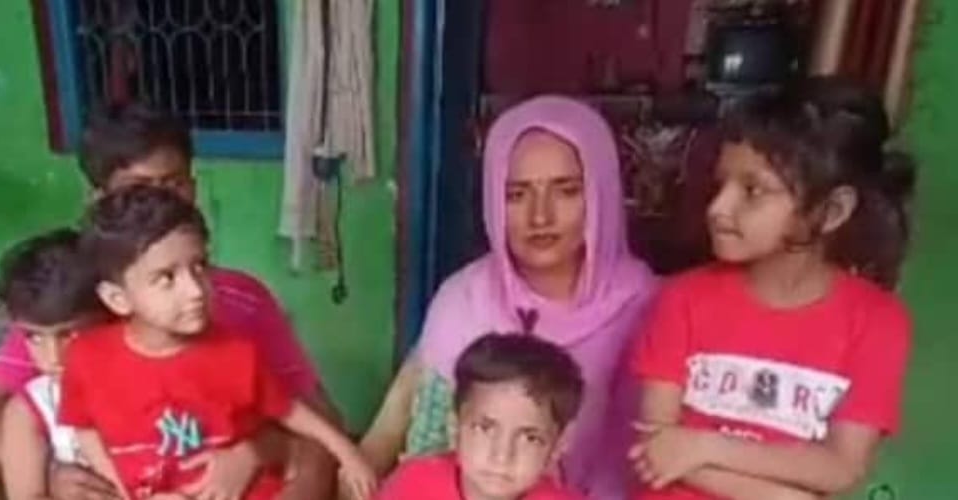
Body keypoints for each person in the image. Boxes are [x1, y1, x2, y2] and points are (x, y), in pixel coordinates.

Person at [0, 103, 340, 499]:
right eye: (137, 189)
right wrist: (49, 473)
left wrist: (271, 463)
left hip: (221, 474)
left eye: (174, 184)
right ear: (99, 200)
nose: (160, 204)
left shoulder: (241, 300)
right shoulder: (77, 306)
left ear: (193, 188)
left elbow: (316, 416)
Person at [631, 77, 915, 500]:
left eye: (753, 191)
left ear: (832, 211)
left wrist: (703, 446)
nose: (718, 208)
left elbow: (841, 467)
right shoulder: (682, 298)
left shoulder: (878, 321)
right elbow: (655, 450)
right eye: (720, 185)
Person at [360, 96, 657, 500]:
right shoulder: (464, 300)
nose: (540, 217)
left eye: (566, 191)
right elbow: (425, 448)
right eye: (516, 195)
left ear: (601, 194)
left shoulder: (647, 306)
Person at [59, 186, 375, 500]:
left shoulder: (237, 353)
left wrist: (348, 453)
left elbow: (289, 410)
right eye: (167, 278)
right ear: (118, 298)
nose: (196, 290)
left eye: (199, 266)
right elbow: (84, 428)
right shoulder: (86, 357)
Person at [377, 333, 587, 500]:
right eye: (484, 428)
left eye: (529, 438)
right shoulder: (413, 484)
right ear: (454, 425)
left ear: (560, 443)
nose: (502, 457)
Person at [0, 228, 103, 500]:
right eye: (34, 337)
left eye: (69, 334)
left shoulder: (156, 378)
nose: (53, 357)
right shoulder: (31, 410)